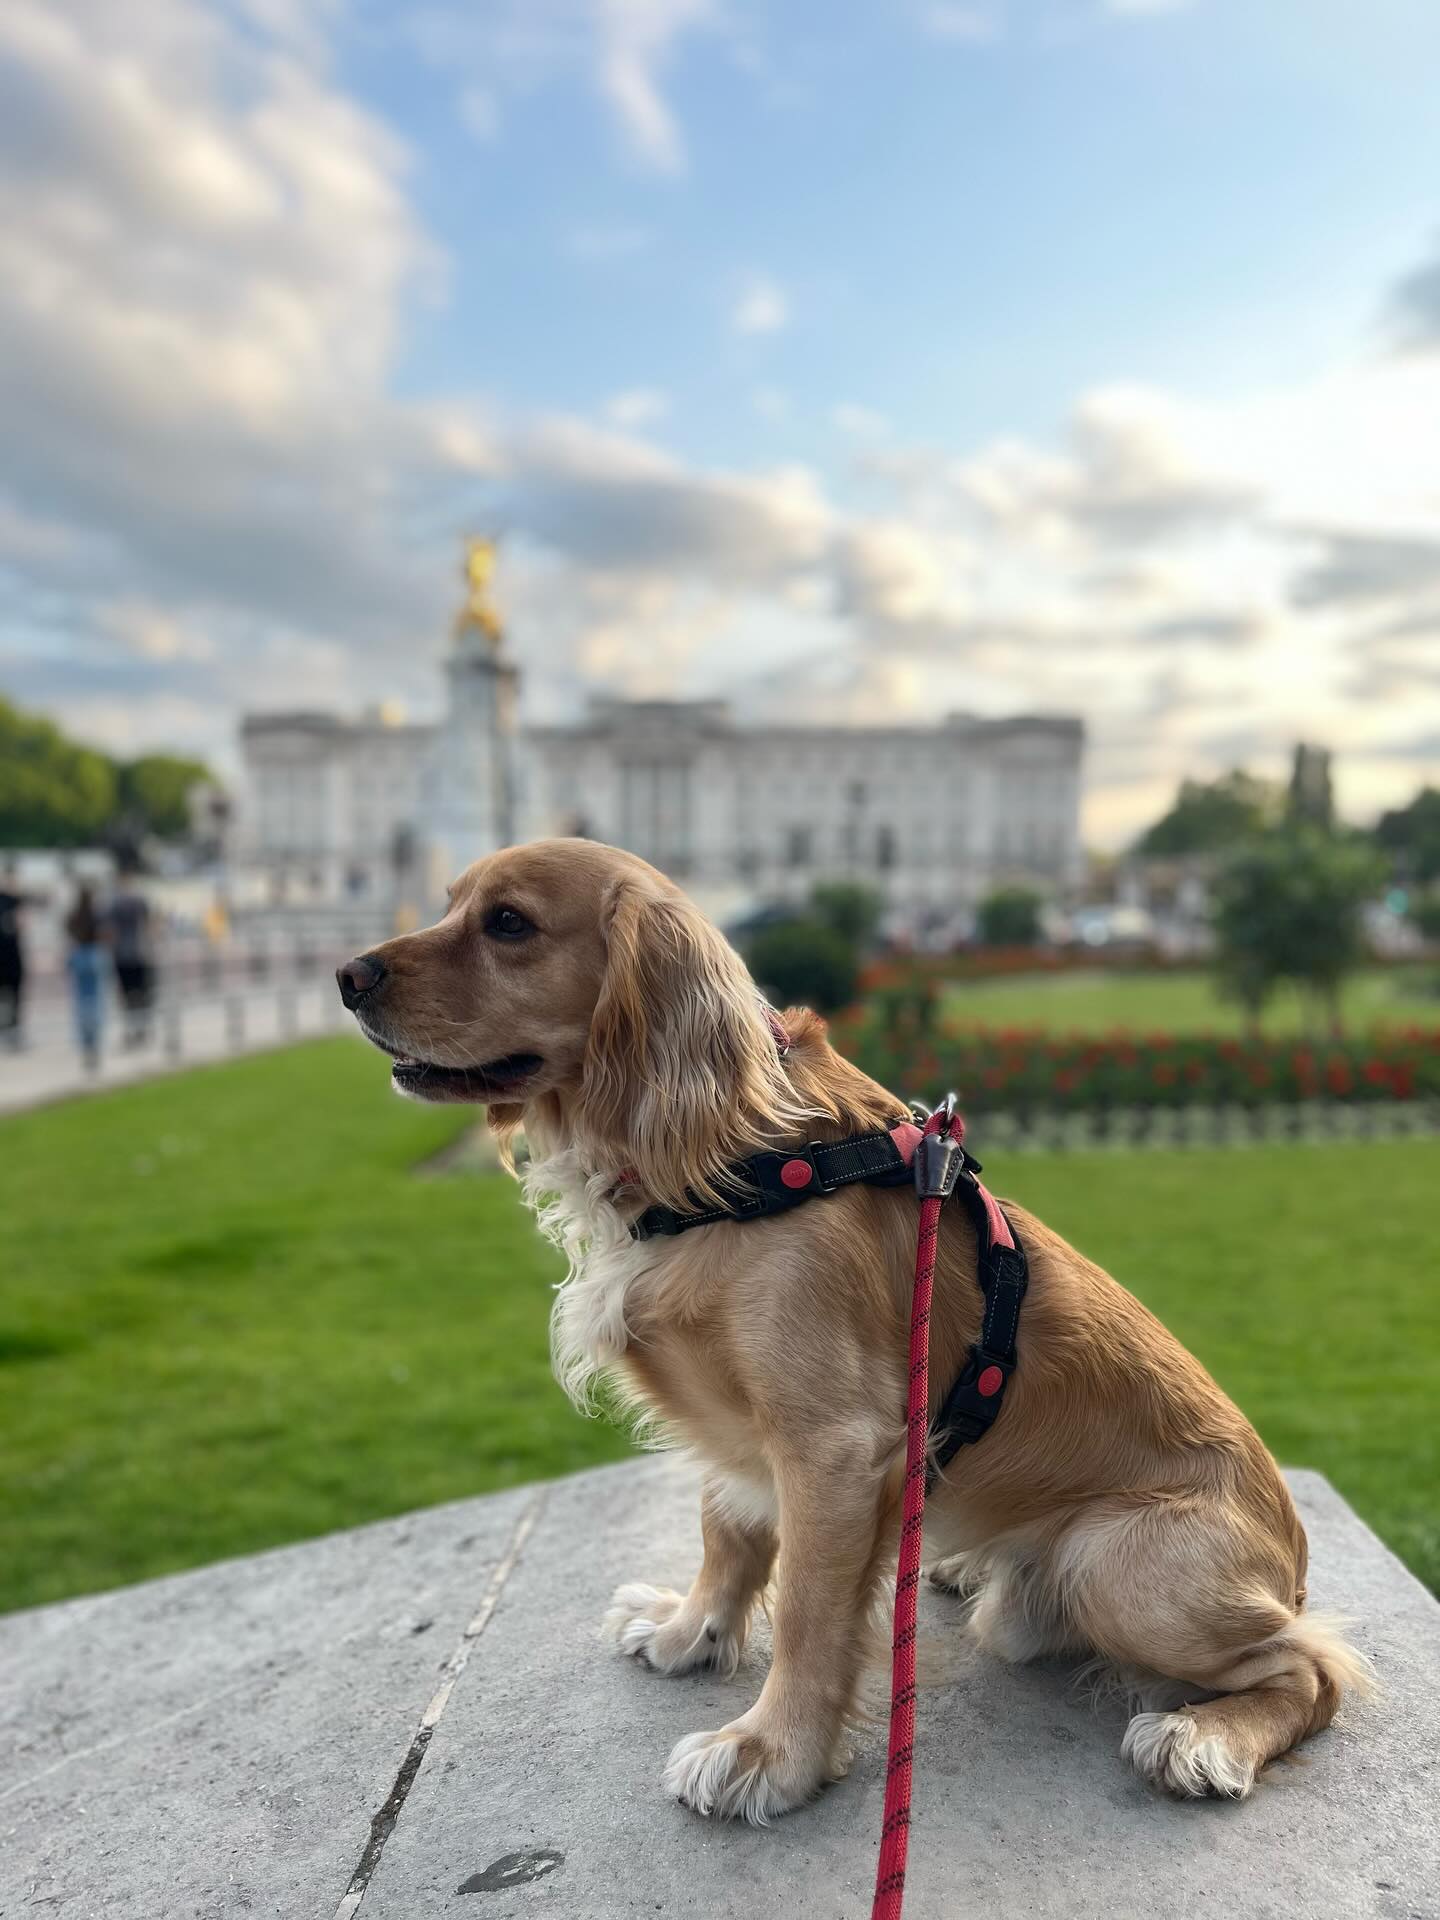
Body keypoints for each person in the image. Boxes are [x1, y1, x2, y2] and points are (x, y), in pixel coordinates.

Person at [108, 872, 156, 1049]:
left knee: (128, 995)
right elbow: (150, 927)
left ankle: (133, 1028)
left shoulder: (115, 903)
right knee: (142, 994)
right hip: (139, 953)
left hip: (123, 955)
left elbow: (109, 931)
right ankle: (141, 1027)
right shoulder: (139, 902)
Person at [65, 881, 108, 1072]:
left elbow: (69, 934)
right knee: (96, 1001)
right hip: (92, 955)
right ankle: (94, 1041)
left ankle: (85, 1042)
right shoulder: (97, 915)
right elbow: (104, 935)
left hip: (79, 956)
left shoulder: (73, 915)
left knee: (81, 1001)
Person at [0, 861, 28, 1048]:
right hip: (5, 955)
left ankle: (13, 1030)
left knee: (14, 995)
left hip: (12, 955)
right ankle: (8, 1030)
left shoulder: (16, 900)